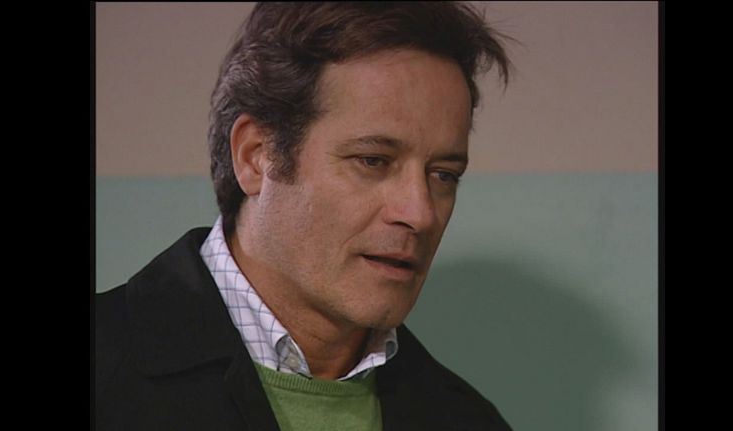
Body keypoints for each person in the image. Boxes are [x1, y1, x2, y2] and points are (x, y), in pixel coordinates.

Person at [96, 2, 514, 430]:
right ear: (256, 156)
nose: (420, 213)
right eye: (372, 160)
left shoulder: (471, 420)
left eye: (444, 175)